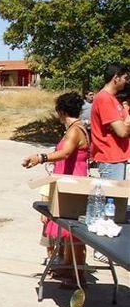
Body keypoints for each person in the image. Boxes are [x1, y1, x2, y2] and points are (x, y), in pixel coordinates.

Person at [22, 92, 90, 287]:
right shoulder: (77, 128)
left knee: (74, 232)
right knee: (68, 231)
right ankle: (69, 267)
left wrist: (40, 158)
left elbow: (65, 152)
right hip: (67, 182)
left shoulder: (74, 130)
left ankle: (78, 276)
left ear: (61, 111)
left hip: (73, 184)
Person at [90, 62, 130, 180]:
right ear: (116, 78)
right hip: (110, 159)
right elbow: (122, 132)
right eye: (125, 78)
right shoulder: (104, 99)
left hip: (117, 159)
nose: (127, 82)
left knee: (118, 198)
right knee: (113, 198)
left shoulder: (113, 99)